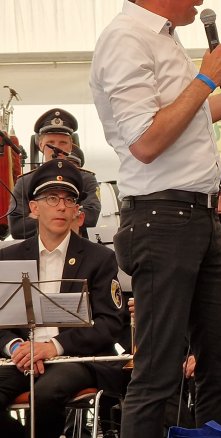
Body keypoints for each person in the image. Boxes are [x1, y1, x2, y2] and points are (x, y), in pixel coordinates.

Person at [89, 2, 221, 436]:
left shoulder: (163, 37)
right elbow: (146, 140)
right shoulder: (126, 38)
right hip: (161, 216)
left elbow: (187, 117)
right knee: (159, 368)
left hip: (198, 215)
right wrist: (204, 79)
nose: (200, 2)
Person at [0, 159, 127, 438]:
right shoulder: (8, 256)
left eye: (69, 200)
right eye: (51, 198)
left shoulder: (100, 259)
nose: (61, 206)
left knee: (44, 395)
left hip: (76, 359)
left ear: (76, 210)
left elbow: (111, 323)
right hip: (20, 358)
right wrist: (15, 346)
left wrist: (52, 346)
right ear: (33, 208)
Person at [9, 109, 101, 239]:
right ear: (40, 145)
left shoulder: (86, 179)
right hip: (37, 253)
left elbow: (91, 218)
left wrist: (40, 214)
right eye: (50, 143)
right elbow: (17, 227)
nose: (57, 148)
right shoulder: (25, 182)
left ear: (70, 146)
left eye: (63, 143)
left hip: (78, 252)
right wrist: (69, 215)